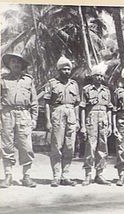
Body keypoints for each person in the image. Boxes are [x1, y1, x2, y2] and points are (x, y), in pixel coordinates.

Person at [0, 53, 38, 188]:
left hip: (24, 114)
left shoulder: (28, 80)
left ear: (22, 65)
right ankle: (8, 175)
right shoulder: (2, 80)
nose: (16, 64)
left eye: (18, 62)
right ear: (9, 64)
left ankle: (26, 176)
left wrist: (34, 119)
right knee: (6, 146)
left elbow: (34, 102)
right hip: (6, 114)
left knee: (26, 146)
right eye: (13, 61)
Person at [44, 56, 80, 187]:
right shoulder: (52, 83)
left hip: (71, 115)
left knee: (69, 147)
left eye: (68, 69)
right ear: (59, 70)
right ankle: (56, 176)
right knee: (56, 147)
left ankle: (65, 175)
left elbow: (76, 103)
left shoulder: (74, 84)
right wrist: (48, 121)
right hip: (57, 114)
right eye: (63, 69)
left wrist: (77, 121)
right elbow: (47, 103)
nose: (66, 71)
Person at [79, 63, 113, 186]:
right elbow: (82, 108)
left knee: (102, 148)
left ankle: (99, 174)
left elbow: (109, 108)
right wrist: (82, 125)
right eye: (97, 75)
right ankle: (88, 174)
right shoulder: (86, 89)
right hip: (91, 120)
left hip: (103, 121)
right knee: (90, 147)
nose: (99, 78)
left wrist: (109, 125)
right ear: (93, 76)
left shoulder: (107, 91)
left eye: (101, 76)